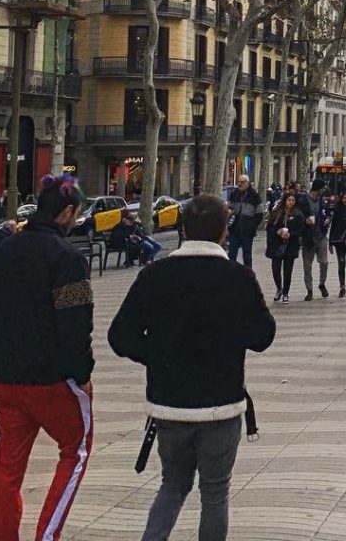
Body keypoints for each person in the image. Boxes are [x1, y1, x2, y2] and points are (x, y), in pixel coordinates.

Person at [108, 193, 276, 541]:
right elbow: (262, 336)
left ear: (182, 228)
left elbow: (119, 335)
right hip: (220, 402)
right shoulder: (238, 277)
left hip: (169, 403)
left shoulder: (156, 274)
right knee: (215, 492)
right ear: (224, 233)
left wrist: (158, 354)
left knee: (172, 485)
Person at [0, 174, 94, 541]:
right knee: (75, 453)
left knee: (7, 470)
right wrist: (81, 374)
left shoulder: (0, 254)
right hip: (52, 382)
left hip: (5, 381)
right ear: (67, 213)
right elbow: (76, 325)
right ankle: (47, 535)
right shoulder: (67, 258)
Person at [265, 191, 304, 304]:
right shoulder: (277, 212)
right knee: (276, 269)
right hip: (276, 245)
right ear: (285, 200)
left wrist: (290, 234)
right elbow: (270, 228)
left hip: (290, 245)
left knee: (288, 271)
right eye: (289, 200)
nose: (290, 202)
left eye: (293, 200)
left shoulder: (297, 214)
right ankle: (279, 288)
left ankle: (286, 292)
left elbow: (300, 229)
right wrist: (278, 231)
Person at [227, 174, 263, 268]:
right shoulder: (234, 194)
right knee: (231, 254)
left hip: (247, 231)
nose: (239, 184)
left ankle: (248, 276)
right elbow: (229, 208)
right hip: (234, 229)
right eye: (238, 182)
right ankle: (230, 274)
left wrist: (252, 226)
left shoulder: (254, 196)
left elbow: (259, 214)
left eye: (242, 182)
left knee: (247, 255)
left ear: (247, 183)